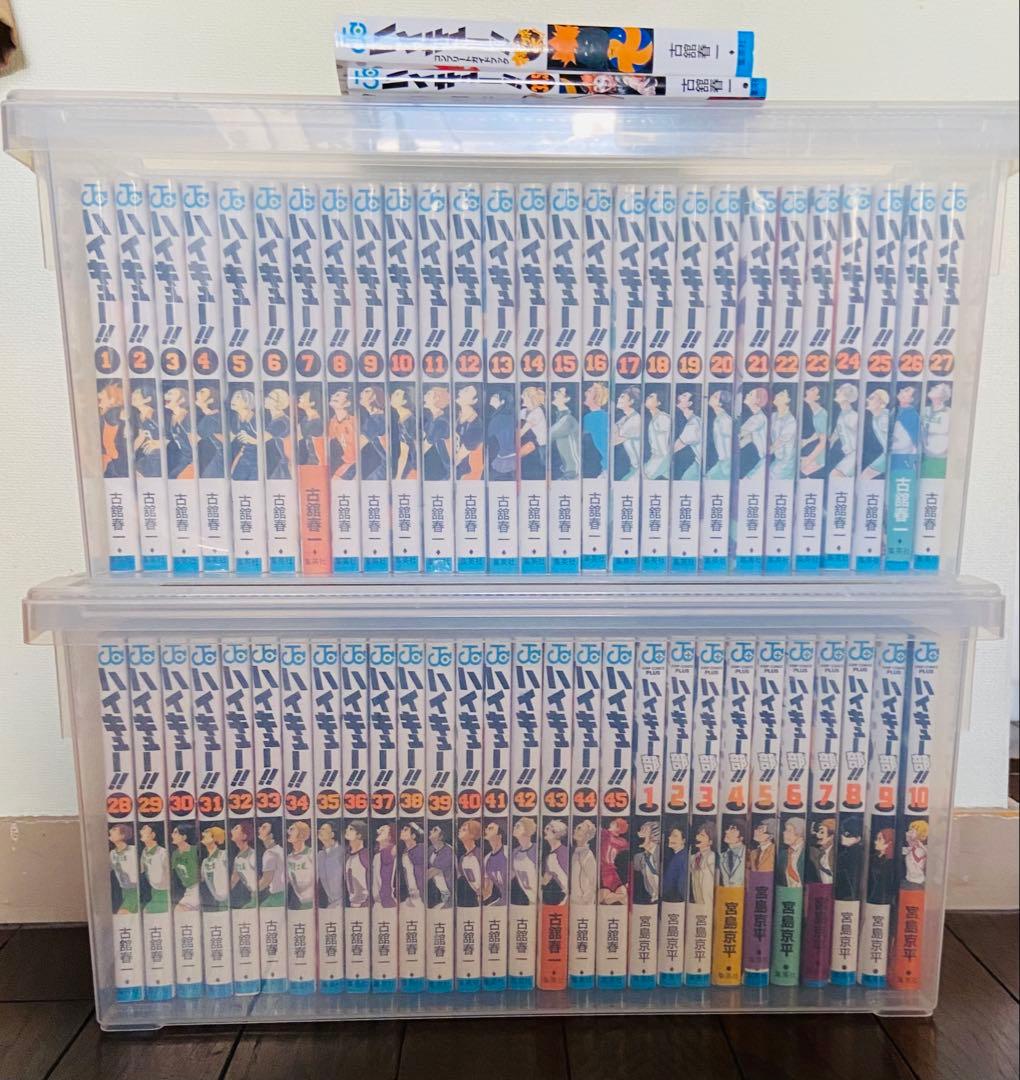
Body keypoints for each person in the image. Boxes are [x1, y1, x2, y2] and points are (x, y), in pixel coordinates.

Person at [827, 382, 860, 478]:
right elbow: (836, 434)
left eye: (840, 391)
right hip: (848, 454)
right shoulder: (842, 414)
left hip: (854, 455)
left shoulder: (853, 416)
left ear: (846, 397)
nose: (837, 391)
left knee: (834, 476)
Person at [920, 381, 952, 477]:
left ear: (942, 395)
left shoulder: (948, 413)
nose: (932, 388)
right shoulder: (925, 410)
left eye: (936, 388)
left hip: (940, 457)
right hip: (925, 455)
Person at [194, 384, 226, 478]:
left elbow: (192, 440)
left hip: (222, 457)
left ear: (211, 400)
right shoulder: (216, 415)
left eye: (202, 392)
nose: (197, 393)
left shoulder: (211, 418)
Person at [98, 383, 129, 479]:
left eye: (102, 395)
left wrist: (110, 459)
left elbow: (108, 443)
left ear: (112, 400)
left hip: (114, 461)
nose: (99, 395)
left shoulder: (112, 413)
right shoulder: (108, 413)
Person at [163, 386, 195, 480]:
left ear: (182, 400)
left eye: (171, 394)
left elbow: (195, 442)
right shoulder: (172, 417)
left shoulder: (188, 417)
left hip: (191, 461)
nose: (166, 395)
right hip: (183, 458)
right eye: (167, 393)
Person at [549, 385, 580, 480]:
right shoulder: (558, 415)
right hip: (566, 470)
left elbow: (548, 435)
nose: (554, 394)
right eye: (555, 391)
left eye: (558, 392)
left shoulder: (568, 419)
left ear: (567, 399)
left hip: (572, 472)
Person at [132, 386, 163, 478]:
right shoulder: (138, 416)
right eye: (134, 392)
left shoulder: (157, 415)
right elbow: (141, 437)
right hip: (146, 456)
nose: (133, 394)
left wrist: (158, 443)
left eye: (137, 392)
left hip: (159, 457)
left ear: (147, 399)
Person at [139, 823, 171, 914]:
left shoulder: (163, 853)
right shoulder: (145, 851)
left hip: (164, 893)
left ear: (153, 835)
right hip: (153, 891)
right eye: (142, 829)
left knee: (147, 912)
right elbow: (142, 870)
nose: (141, 831)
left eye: (145, 829)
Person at [422, 386, 452, 481]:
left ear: (436, 399)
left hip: (440, 470)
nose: (424, 396)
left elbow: (424, 447)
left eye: (428, 394)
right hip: (433, 464)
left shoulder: (441, 422)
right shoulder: (433, 417)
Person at [672, 388, 702, 481]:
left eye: (684, 396)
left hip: (699, 464)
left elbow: (676, 447)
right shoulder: (689, 419)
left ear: (689, 404)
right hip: (697, 462)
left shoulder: (693, 423)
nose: (679, 397)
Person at [229, 388, 260, 481]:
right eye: (234, 396)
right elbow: (230, 437)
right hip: (243, 457)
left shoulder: (256, 419)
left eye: (238, 397)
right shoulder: (236, 418)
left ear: (247, 401)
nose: (233, 399)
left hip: (257, 460)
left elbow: (264, 442)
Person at [263, 387, 293, 481]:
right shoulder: (277, 419)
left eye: (270, 397)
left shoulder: (280, 422)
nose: (265, 399)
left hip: (285, 466)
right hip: (282, 463)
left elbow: (260, 439)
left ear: (278, 404)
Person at [738, 385, 769, 478]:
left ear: (757, 401)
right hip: (760, 462)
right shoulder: (759, 417)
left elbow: (739, 433)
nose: (747, 395)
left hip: (761, 464)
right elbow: (748, 438)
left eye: (750, 394)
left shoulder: (758, 418)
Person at [581, 382, 610, 478]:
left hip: (603, 465)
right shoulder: (605, 415)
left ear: (596, 397)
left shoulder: (590, 417)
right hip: (605, 464)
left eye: (589, 391)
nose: (585, 393)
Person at [454, 385, 483, 481]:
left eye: (466, 391)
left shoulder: (476, 424)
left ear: (474, 401)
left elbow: (459, 457)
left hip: (463, 474)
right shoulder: (458, 414)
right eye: (462, 389)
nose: (460, 391)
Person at [327, 387, 357, 480]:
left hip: (356, 463)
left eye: (338, 395)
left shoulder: (354, 421)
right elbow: (328, 440)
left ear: (348, 403)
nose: (333, 396)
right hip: (345, 462)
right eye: (333, 395)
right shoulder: (333, 421)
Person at [358, 386, 387, 481]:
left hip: (386, 467)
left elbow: (357, 445)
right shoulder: (380, 416)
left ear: (374, 397)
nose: (361, 393)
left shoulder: (376, 420)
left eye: (366, 391)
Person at [519, 385, 548, 481]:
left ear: (530, 398)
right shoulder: (523, 411)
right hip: (530, 444)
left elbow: (523, 430)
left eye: (524, 395)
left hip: (539, 447)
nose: (521, 396)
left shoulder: (537, 411)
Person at [612, 387, 641, 480]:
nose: (618, 399)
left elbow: (613, 441)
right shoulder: (625, 418)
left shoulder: (635, 419)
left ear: (631, 401)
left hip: (638, 469)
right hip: (633, 467)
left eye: (622, 397)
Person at [486, 390, 516, 481]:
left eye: (495, 396)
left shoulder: (498, 418)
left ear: (502, 401)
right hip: (510, 456)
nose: (491, 397)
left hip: (504, 458)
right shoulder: (508, 416)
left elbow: (488, 437)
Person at [861, 388, 890, 479]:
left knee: (865, 476)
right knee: (865, 476)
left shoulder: (884, 418)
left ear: (881, 403)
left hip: (894, 456)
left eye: (871, 398)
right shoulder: (876, 417)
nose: (867, 400)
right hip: (887, 454)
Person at [799, 382, 828, 476]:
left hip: (816, 458)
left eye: (812, 390)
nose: (807, 391)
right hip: (806, 452)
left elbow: (823, 442)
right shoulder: (805, 409)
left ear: (817, 397)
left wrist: (807, 461)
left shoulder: (821, 414)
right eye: (809, 389)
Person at [704, 387, 733, 480]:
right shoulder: (719, 418)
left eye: (715, 396)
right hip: (723, 462)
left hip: (727, 463)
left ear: (720, 404)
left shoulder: (724, 420)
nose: (711, 396)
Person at [170, 824, 201, 912]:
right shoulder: (175, 854)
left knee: (178, 911)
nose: (172, 835)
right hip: (188, 890)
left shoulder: (195, 850)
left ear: (184, 837)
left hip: (197, 888)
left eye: (176, 832)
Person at [109, 823, 138, 914]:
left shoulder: (133, 850)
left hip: (134, 891)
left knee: (122, 913)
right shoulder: (112, 853)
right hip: (124, 891)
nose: (110, 831)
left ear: (123, 835)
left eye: (114, 830)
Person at [769, 388, 797, 481]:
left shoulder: (791, 420)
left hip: (786, 463)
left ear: (788, 400)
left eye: (781, 395)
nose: (776, 396)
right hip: (776, 459)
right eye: (777, 394)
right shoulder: (773, 416)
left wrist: (766, 453)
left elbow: (780, 442)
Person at [389, 387, 418, 480]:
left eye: (397, 395)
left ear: (404, 402)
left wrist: (398, 477)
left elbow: (415, 447)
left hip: (417, 467)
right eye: (394, 393)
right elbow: (404, 452)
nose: (392, 395)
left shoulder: (409, 420)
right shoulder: (402, 419)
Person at [199, 826, 229, 912]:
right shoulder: (205, 861)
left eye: (207, 833)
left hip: (228, 899)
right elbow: (201, 879)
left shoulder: (224, 854)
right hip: (216, 900)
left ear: (215, 838)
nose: (203, 834)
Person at [599, 819, 629, 904]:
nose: (612, 823)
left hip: (608, 870)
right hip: (607, 870)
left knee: (623, 896)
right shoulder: (622, 842)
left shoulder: (606, 834)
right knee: (623, 895)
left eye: (616, 824)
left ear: (619, 828)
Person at [228, 822, 257, 909]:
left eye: (236, 828)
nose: (232, 830)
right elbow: (233, 880)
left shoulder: (252, 855)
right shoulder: (237, 858)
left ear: (244, 836)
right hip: (253, 897)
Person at [287, 821, 315, 910]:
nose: (288, 831)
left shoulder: (311, 853)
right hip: (301, 903)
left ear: (302, 834)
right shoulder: (288, 858)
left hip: (313, 902)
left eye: (292, 829)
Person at [642, 391, 671, 480]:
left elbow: (664, 446)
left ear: (658, 403)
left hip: (661, 458)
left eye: (651, 396)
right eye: (648, 396)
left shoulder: (662, 418)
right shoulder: (655, 418)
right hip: (657, 457)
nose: (647, 398)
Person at [317, 821, 345, 911]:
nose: (319, 831)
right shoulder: (320, 855)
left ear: (332, 834)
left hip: (342, 902)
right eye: (320, 829)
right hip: (329, 903)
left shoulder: (342, 852)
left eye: (323, 829)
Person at [257, 821, 286, 909]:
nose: (259, 829)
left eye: (264, 828)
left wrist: (254, 890)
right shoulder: (280, 850)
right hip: (283, 894)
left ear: (271, 836)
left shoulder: (270, 853)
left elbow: (266, 880)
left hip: (277, 897)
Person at [540, 819, 569, 905]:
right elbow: (546, 880)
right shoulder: (551, 855)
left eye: (548, 829)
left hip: (564, 898)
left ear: (556, 833)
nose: (545, 831)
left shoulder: (562, 853)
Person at [834, 817, 864, 900]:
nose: (842, 837)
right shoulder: (846, 852)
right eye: (842, 833)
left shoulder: (852, 854)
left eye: (847, 834)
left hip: (849, 895)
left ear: (858, 838)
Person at [456, 820, 485, 906]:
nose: (460, 830)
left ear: (472, 835)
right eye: (461, 828)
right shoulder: (462, 858)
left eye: (464, 829)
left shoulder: (479, 854)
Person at [511, 817, 538, 905]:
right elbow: (511, 874)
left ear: (527, 830)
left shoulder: (536, 849)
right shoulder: (515, 851)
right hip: (530, 897)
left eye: (518, 826)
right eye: (514, 826)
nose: (514, 827)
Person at [632, 821, 661, 905]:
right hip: (652, 899)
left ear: (654, 835)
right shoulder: (641, 857)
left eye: (644, 831)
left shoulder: (661, 853)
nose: (639, 834)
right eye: (641, 830)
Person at [570, 820, 597, 905]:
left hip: (583, 903)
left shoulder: (588, 856)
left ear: (587, 835)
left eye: (579, 828)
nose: (575, 830)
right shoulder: (575, 853)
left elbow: (593, 882)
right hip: (573, 900)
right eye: (576, 828)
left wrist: (585, 900)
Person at [344, 821, 371, 908]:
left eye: (351, 829)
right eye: (347, 828)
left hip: (365, 905)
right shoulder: (347, 856)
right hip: (352, 905)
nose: (347, 830)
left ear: (359, 835)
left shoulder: (365, 855)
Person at [866, 827, 896, 905]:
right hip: (871, 898)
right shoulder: (873, 858)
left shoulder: (890, 863)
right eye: (876, 839)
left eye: (879, 839)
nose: (875, 842)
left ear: (889, 843)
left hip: (882, 900)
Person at [296, 388, 325, 468]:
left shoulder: (317, 422)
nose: (300, 397)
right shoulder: (305, 420)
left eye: (304, 396)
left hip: (317, 464)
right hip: (309, 462)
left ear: (312, 403)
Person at [426, 825, 453, 909]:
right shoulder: (430, 849)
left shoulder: (448, 851)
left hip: (451, 894)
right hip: (441, 893)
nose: (430, 831)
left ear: (441, 837)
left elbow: (429, 874)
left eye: (435, 830)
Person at [372, 823, 398, 909]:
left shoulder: (390, 851)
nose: (379, 830)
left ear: (390, 837)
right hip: (379, 903)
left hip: (387, 903)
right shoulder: (377, 855)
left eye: (383, 830)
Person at [689, 823, 716, 904]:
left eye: (702, 835)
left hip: (709, 902)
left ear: (710, 842)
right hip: (697, 901)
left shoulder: (712, 857)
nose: (697, 837)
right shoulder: (693, 858)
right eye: (698, 834)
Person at [398, 823, 425, 904]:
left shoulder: (420, 848)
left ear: (413, 836)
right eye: (402, 829)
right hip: (411, 893)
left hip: (421, 893)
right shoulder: (404, 851)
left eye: (405, 830)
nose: (402, 831)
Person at [483, 822, 508, 906]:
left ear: (499, 835)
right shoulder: (487, 859)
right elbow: (488, 891)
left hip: (515, 901)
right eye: (487, 828)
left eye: (491, 828)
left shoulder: (508, 852)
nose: (486, 830)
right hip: (503, 900)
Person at [661, 826, 688, 903]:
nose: (670, 838)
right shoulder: (675, 856)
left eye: (675, 836)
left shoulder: (683, 858)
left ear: (683, 841)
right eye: (670, 835)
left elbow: (682, 888)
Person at [777, 818, 806, 887]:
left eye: (789, 831)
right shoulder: (782, 855)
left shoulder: (811, 852)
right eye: (785, 830)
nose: (784, 833)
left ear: (800, 834)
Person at [808, 818, 836, 885]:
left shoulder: (835, 853)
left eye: (822, 832)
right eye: (818, 832)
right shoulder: (820, 853)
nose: (818, 835)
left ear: (832, 836)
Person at [718, 822, 746, 888]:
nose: (726, 831)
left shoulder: (748, 854)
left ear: (741, 838)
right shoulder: (721, 856)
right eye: (728, 829)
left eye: (733, 830)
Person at [901, 820, 928, 889]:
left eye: (912, 831)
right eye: (910, 830)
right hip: (909, 880)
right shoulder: (910, 848)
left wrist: (922, 846)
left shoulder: (921, 850)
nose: (909, 832)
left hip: (918, 882)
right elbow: (901, 851)